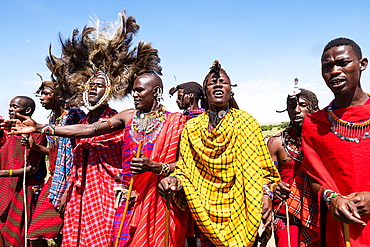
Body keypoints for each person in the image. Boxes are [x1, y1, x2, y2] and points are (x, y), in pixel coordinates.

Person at [159, 61, 280, 247]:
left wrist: (266, 195)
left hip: (244, 210)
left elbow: (264, 171)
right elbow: (184, 168)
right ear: (205, 92)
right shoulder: (192, 128)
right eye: (211, 83)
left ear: (231, 90)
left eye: (223, 82)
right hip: (204, 211)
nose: (217, 85)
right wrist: (174, 181)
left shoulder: (246, 122)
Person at [288, 37, 370, 246]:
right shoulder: (315, 125)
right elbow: (314, 176)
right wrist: (331, 198)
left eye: (343, 63)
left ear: (362, 65)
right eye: (327, 67)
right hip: (341, 231)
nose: (334, 71)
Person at [27, 79, 85, 247]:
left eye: (46, 93)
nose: (42, 97)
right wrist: (35, 147)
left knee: (64, 231)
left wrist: (69, 188)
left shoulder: (75, 116)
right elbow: (57, 153)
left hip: (71, 180)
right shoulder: (54, 118)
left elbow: (78, 154)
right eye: (42, 94)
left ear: (59, 96)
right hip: (55, 179)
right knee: (38, 233)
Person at [267, 87, 319, 247]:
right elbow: (265, 178)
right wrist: (274, 186)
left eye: (302, 105)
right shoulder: (276, 143)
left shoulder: (322, 141)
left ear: (314, 109)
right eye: (291, 106)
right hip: (286, 217)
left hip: (318, 215)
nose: (296, 110)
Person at [0, 96, 46, 247]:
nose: (10, 110)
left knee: (16, 232)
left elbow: (31, 169)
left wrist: (4, 173)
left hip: (22, 188)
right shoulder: (6, 131)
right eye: (9, 106)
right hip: (3, 186)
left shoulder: (37, 135)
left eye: (14, 107)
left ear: (27, 110)